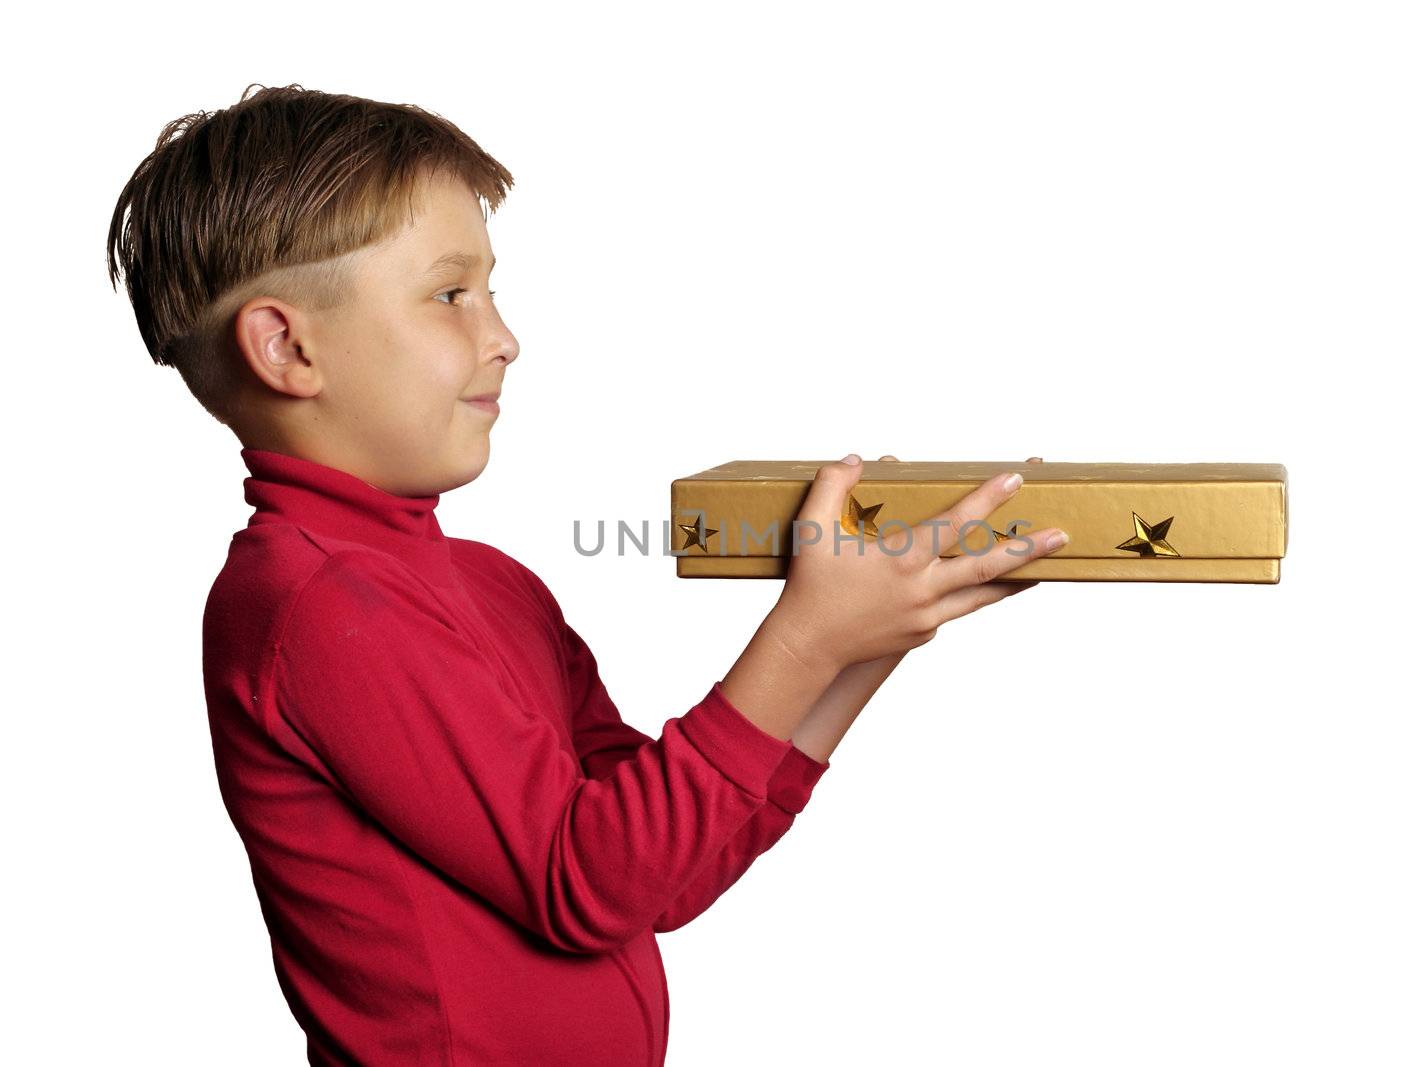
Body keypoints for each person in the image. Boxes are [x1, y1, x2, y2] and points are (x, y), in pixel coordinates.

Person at [106, 82, 1067, 1066]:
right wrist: (808, 636)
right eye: (450, 294)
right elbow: (585, 880)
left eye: (490, 290)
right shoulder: (316, 606)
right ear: (287, 346)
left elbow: (660, 874)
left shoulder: (491, 585)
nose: (503, 335)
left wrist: (868, 641)